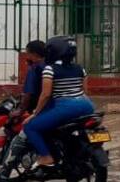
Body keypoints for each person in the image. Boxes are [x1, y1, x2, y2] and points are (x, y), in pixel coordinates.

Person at [0, 40, 48, 182]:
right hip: (61, 110)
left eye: (27, 52)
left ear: (33, 54)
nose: (25, 55)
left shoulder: (35, 69)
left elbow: (29, 94)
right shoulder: (54, 67)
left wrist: (20, 110)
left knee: (18, 142)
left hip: (40, 111)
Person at [23, 36, 95, 168]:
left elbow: (45, 95)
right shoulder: (80, 68)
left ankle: (46, 156)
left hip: (65, 108)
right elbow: (85, 91)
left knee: (30, 127)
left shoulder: (49, 70)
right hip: (88, 106)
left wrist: (34, 114)